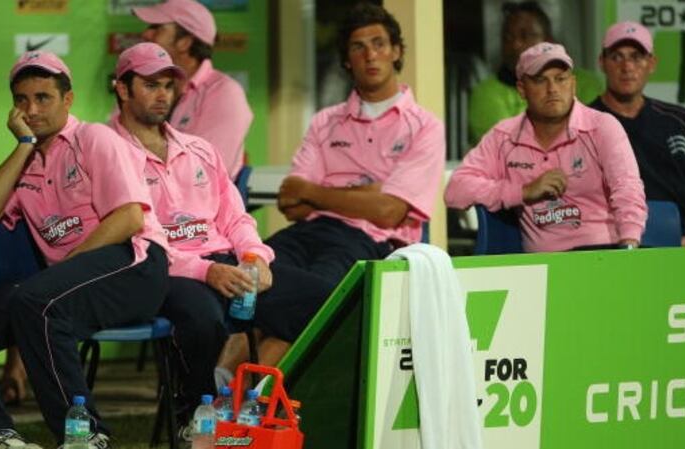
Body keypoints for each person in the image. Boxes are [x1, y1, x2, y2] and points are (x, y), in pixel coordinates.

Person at [0, 51, 171, 449]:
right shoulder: (27, 162)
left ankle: (86, 437)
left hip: (133, 266)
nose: (32, 109)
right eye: (22, 100)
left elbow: (128, 218)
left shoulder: (94, 138)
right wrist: (24, 145)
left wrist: (64, 270)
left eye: (43, 98)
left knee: (38, 300)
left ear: (67, 99)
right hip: (61, 287)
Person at [109, 43, 332, 438]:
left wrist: (254, 256)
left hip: (228, 261)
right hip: (164, 271)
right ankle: (192, 416)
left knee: (325, 302)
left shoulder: (199, 148)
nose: (163, 95)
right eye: (150, 85)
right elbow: (140, 236)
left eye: (168, 86)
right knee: (203, 320)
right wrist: (206, 271)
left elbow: (235, 216)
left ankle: (260, 408)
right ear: (123, 89)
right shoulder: (107, 152)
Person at [266, 3, 445, 295]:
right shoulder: (325, 121)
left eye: (379, 44)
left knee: (311, 296)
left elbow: (388, 212)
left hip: (371, 241)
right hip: (306, 232)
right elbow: (291, 203)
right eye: (358, 47)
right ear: (347, 60)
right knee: (247, 274)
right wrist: (367, 194)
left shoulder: (425, 126)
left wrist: (312, 192)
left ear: (396, 51)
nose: (370, 55)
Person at [445, 42, 647, 252]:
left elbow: (628, 189)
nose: (552, 89)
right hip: (542, 264)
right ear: (522, 89)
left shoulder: (601, 126)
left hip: (603, 253)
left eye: (560, 79)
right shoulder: (504, 137)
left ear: (573, 83)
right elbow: (456, 191)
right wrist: (522, 191)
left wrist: (628, 247)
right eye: (540, 80)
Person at [590, 21, 685, 246]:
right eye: (617, 57)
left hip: (680, 249)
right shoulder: (583, 124)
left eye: (636, 57)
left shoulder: (682, 121)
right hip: (609, 249)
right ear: (602, 62)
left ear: (652, 63)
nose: (627, 66)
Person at [132, 0, 252, 180]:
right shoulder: (139, 86)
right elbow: (110, 150)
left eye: (156, 28)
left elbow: (203, 173)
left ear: (185, 42)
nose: (146, 34)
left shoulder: (225, 93)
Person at [468, 1, 603, 145]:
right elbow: (505, 147)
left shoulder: (587, 83)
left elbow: (594, 137)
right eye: (508, 37)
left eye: (525, 36)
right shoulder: (486, 92)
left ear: (549, 41)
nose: (515, 44)